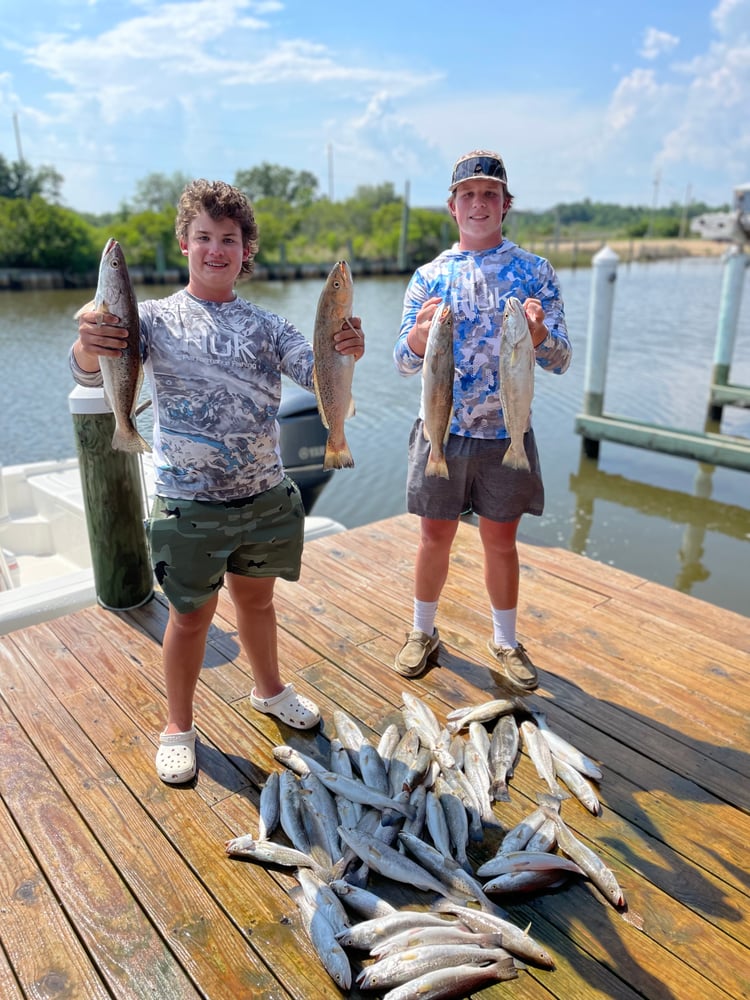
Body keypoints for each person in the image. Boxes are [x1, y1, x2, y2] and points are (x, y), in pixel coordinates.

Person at [71, 179, 364, 784]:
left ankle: (270, 689)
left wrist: (343, 350)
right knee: (189, 616)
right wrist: (84, 344)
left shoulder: (267, 325)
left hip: (264, 496)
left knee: (258, 601)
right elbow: (92, 369)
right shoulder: (149, 318)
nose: (215, 249)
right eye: (203, 237)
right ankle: (178, 725)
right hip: (188, 503)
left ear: (245, 249)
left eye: (228, 239)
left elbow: (314, 373)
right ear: (185, 243)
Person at [392, 150, 571, 691]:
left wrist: (539, 335)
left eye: (489, 194)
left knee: (501, 542)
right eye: (467, 194)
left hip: (505, 435)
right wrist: (420, 338)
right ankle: (423, 631)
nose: (478, 203)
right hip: (440, 430)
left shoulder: (536, 272)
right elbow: (401, 362)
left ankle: (506, 639)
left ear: (506, 204)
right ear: (452, 206)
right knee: (432, 538)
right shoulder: (429, 276)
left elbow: (561, 359)